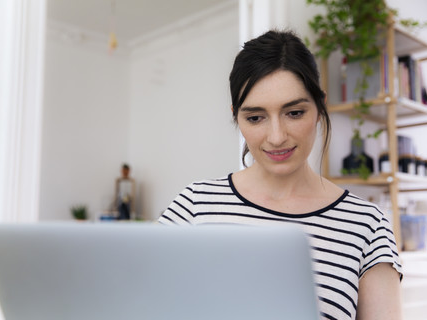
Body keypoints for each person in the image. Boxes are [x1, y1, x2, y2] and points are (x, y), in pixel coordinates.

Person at [158, 30, 402, 320]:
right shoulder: (194, 204)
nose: (276, 137)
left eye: (294, 113)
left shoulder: (367, 225)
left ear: (320, 106)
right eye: (255, 118)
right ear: (236, 115)